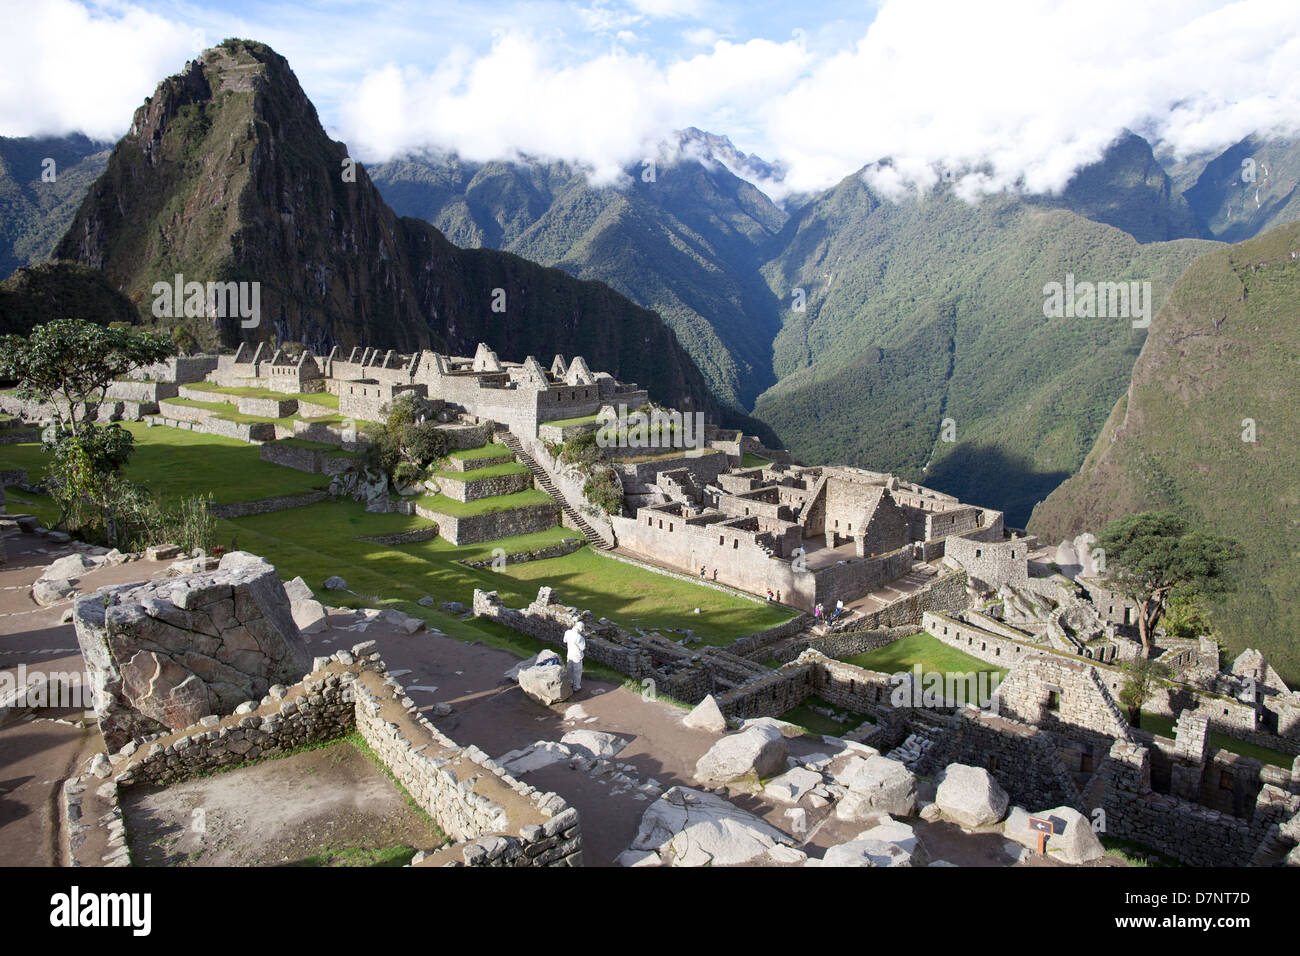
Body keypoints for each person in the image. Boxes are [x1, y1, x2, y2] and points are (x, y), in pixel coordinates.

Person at [563, 619, 587, 691]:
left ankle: (569, 683)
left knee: (569, 670)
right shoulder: (579, 637)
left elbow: (564, 640)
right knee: (577, 672)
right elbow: (583, 648)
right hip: (577, 656)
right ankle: (576, 687)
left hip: (569, 654)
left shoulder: (567, 632)